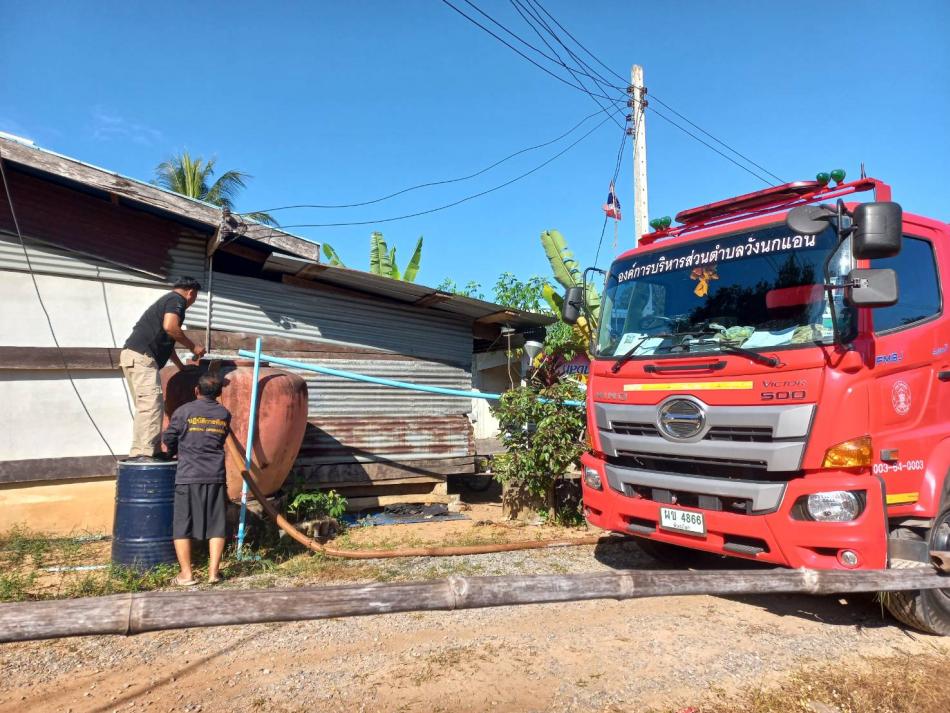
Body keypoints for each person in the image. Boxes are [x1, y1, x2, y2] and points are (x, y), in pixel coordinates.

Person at [120, 277, 206, 461]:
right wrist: (193, 347)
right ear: (191, 292)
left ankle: (146, 450)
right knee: (151, 405)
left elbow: (167, 344)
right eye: (195, 296)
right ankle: (145, 453)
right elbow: (170, 327)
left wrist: (181, 366)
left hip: (135, 356)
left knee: (147, 406)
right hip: (142, 357)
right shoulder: (176, 300)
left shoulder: (167, 300)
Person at [162, 373, 231, 586]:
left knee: (182, 525)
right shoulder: (224, 414)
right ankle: (213, 573)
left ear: (196, 391)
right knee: (217, 525)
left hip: (188, 475)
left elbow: (169, 438)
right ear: (219, 393)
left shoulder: (184, 412)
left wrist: (170, 451)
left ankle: (186, 575)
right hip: (215, 475)